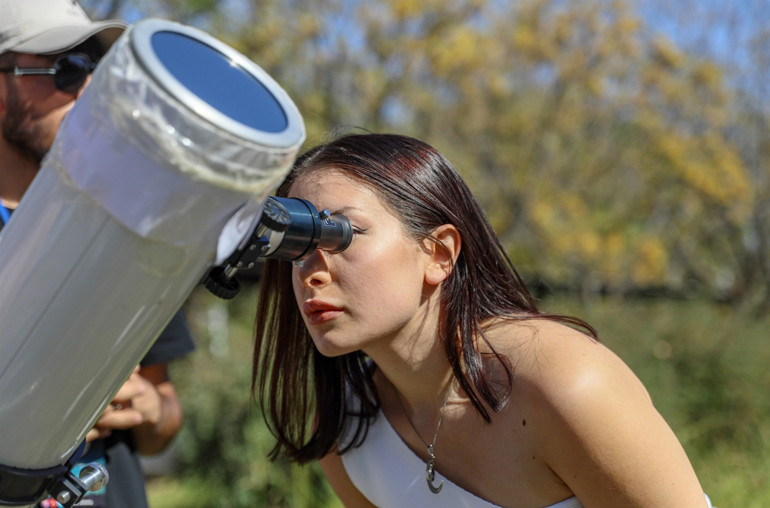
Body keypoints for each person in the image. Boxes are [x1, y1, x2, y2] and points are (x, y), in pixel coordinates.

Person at [251, 132, 713, 507]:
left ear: (438, 254)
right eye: (296, 249)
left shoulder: (567, 387)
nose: (311, 272)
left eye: (338, 234)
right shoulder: (344, 430)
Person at [0, 1, 195, 507]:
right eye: (66, 69)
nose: (87, 89)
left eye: (95, 70)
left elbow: (166, 415)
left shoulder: (129, 227)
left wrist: (149, 408)